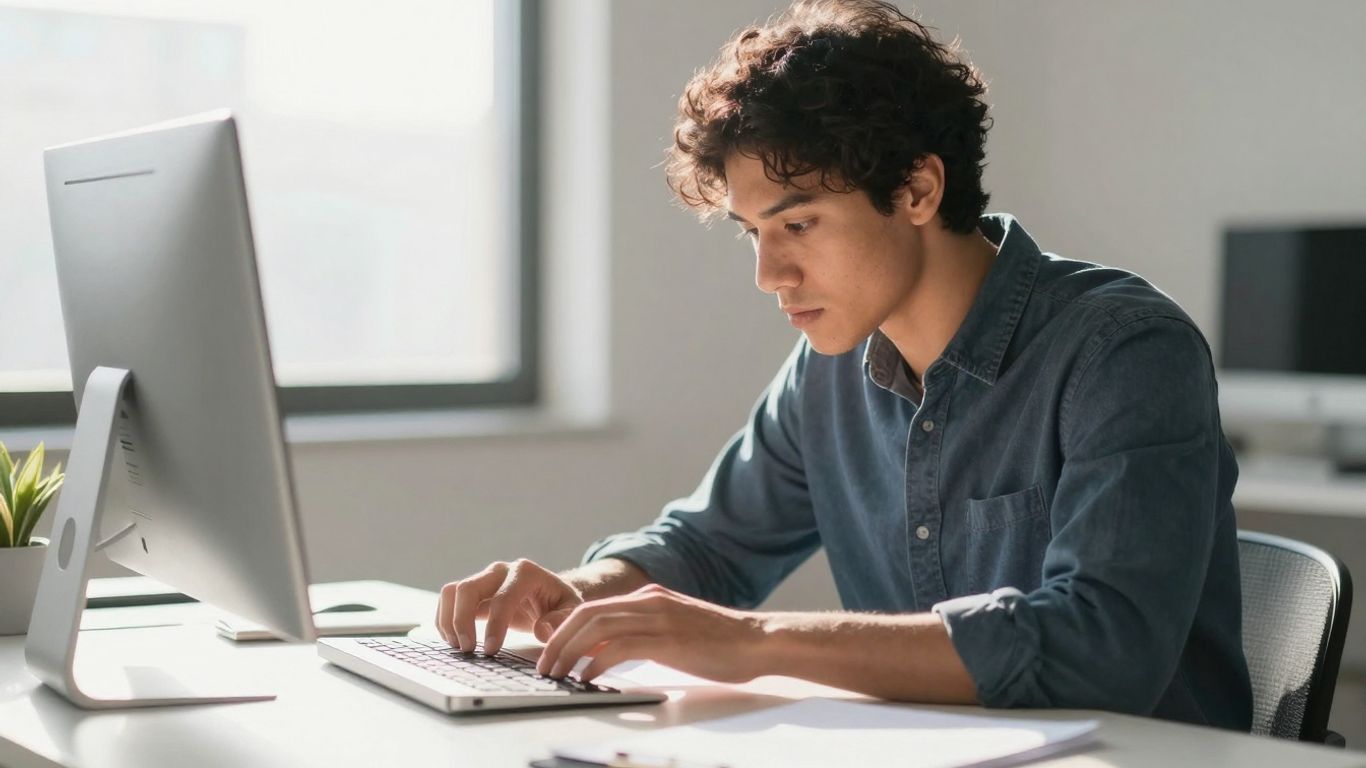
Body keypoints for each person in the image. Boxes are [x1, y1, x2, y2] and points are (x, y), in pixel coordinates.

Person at [434, 0, 1252, 729]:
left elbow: (1099, 647)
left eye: (799, 225)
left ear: (919, 191)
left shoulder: (1124, 352)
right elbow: (710, 548)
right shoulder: (829, 368)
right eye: (752, 233)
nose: (769, 275)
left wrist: (754, 642)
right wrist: (579, 592)